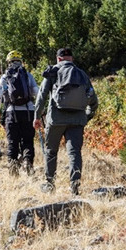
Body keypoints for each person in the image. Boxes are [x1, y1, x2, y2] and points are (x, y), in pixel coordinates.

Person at [33, 47, 98, 195]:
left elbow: (42, 96)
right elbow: (94, 101)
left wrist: (37, 117)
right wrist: (86, 116)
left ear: (58, 59)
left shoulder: (53, 72)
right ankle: (74, 186)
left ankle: (50, 184)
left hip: (56, 119)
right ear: (72, 59)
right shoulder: (82, 74)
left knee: (51, 151)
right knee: (74, 153)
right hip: (77, 120)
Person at [0, 51, 39, 175]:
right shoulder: (28, 75)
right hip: (28, 111)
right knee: (28, 140)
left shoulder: (5, 77)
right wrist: (39, 110)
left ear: (8, 62)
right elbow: (37, 92)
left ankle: (13, 169)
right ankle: (28, 162)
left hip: (11, 112)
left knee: (13, 142)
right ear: (20, 61)